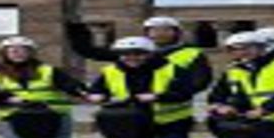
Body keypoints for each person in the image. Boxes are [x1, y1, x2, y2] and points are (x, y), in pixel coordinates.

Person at [87, 37, 195, 138]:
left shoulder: (171, 69)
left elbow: (185, 92)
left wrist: (158, 97)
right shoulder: (111, 71)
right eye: (126, 54)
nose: (132, 58)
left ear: (150, 54)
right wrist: (97, 95)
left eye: (138, 54)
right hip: (133, 123)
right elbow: (97, 89)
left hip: (171, 122)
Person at [67, 16, 212, 93]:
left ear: (176, 33)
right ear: (147, 32)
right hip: (136, 111)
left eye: (166, 30)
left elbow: (200, 81)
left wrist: (174, 94)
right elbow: (92, 52)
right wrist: (77, 30)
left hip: (171, 111)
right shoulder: (135, 50)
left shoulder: (192, 53)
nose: (160, 33)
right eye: (154, 30)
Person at [206, 31, 274, 138]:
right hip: (255, 121)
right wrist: (221, 106)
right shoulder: (234, 70)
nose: (241, 52)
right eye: (235, 49)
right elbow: (218, 95)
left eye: (247, 48)